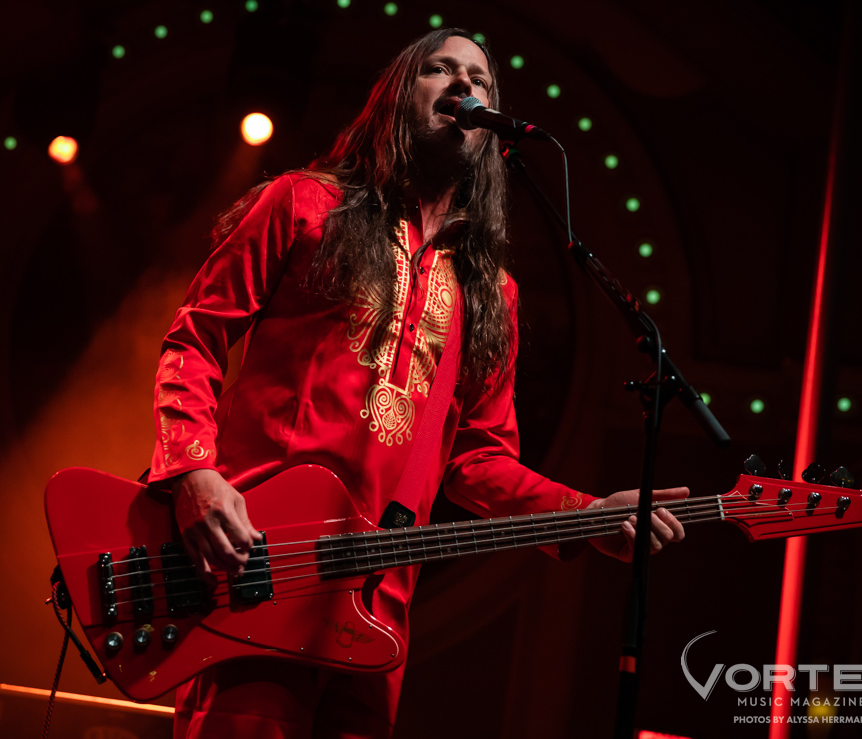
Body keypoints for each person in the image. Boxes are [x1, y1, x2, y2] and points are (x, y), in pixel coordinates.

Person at [149, 28, 687, 739]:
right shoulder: (299, 204)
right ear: (398, 98)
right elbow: (195, 337)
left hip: (376, 606)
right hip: (256, 570)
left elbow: (478, 460)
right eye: (439, 69)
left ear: (494, 128)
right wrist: (192, 474)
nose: (464, 85)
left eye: (481, 80)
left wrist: (587, 513)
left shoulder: (492, 290)